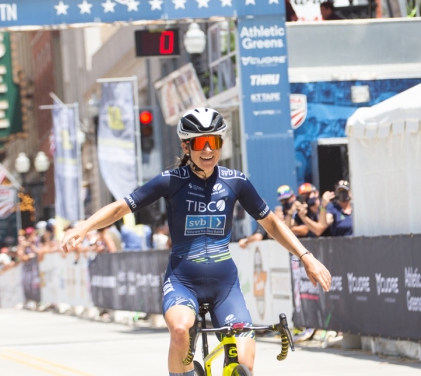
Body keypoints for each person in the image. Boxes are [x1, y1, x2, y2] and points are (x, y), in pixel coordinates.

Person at [62, 108, 331, 376]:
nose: (208, 150)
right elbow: (121, 207)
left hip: (224, 284)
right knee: (180, 330)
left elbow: (271, 223)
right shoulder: (171, 181)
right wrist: (85, 226)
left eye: (214, 142)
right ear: (186, 145)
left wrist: (306, 256)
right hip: (182, 281)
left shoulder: (235, 181)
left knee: (245, 361)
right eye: (200, 143)